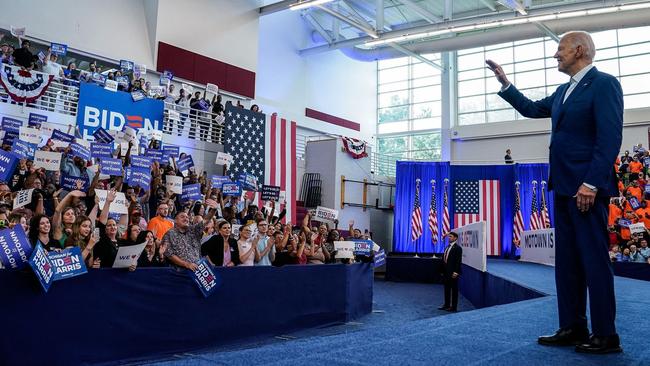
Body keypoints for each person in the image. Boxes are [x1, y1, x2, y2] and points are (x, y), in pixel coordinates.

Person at [487, 31, 623, 353]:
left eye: (559, 49)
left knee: (593, 262)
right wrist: (506, 84)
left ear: (579, 50)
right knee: (567, 264)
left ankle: (606, 335)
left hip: (586, 189)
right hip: (561, 188)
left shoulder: (604, 84)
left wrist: (590, 183)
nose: (555, 55)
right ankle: (573, 326)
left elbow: (609, 137)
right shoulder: (564, 91)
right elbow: (532, 109)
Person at [438, 232, 462, 312]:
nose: (449, 238)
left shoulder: (458, 248)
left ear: (455, 238)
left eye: (450, 237)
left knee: (454, 290)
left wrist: (456, 272)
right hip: (446, 272)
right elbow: (444, 259)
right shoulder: (447, 247)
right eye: (449, 237)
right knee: (446, 289)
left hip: (453, 273)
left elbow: (458, 261)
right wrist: (441, 270)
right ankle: (446, 305)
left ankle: (454, 307)